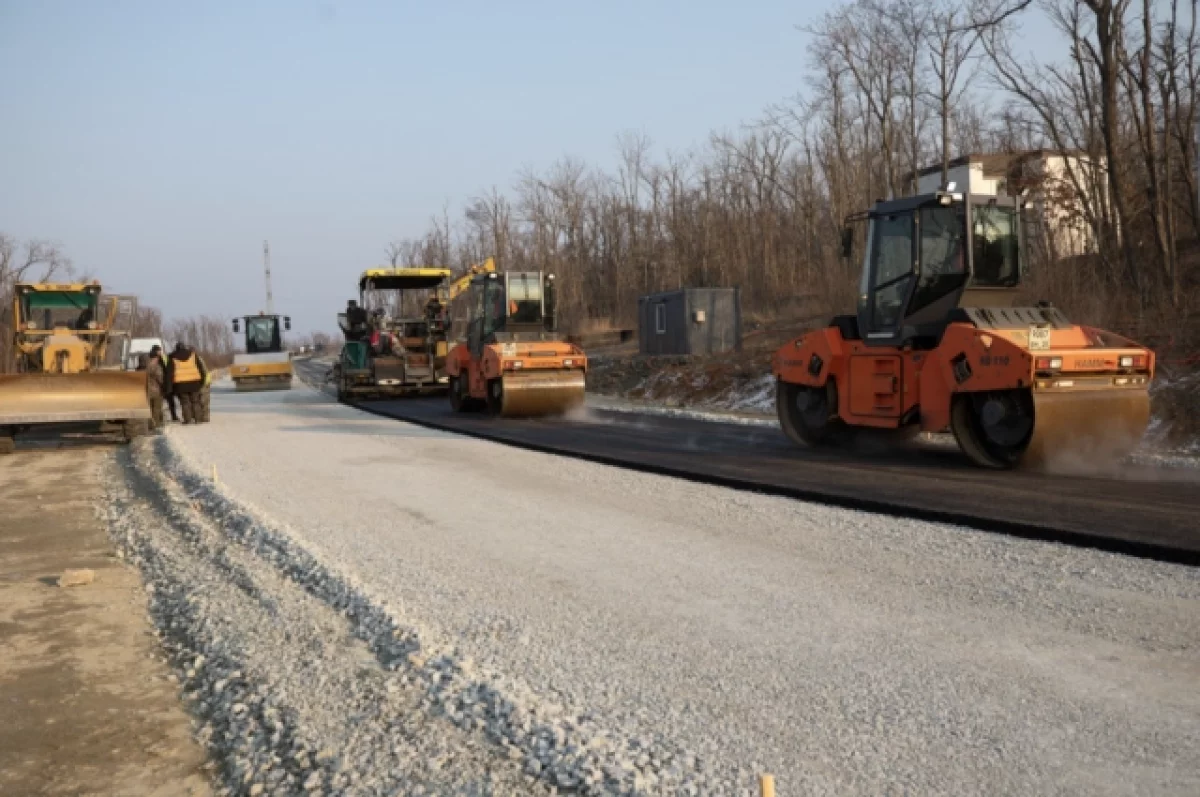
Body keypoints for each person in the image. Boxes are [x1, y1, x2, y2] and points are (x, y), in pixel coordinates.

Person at [166, 342, 207, 425]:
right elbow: (200, 368)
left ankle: (187, 420)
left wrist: (169, 387)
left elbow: (169, 374)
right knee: (195, 401)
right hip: (195, 383)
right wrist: (202, 381)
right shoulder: (193, 355)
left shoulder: (172, 357)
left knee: (185, 402)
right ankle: (198, 419)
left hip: (181, 385)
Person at [144, 350, 166, 430]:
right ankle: (155, 424)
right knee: (156, 408)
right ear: (155, 357)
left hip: (146, 390)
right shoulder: (156, 366)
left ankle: (149, 424)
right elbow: (160, 378)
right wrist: (165, 386)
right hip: (156, 390)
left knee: (149, 409)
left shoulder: (145, 365)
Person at [196, 352, 212, 423]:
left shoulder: (197, 359)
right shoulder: (198, 358)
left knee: (203, 400)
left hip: (204, 382)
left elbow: (203, 371)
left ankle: (204, 417)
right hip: (204, 381)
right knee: (203, 400)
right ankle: (204, 417)